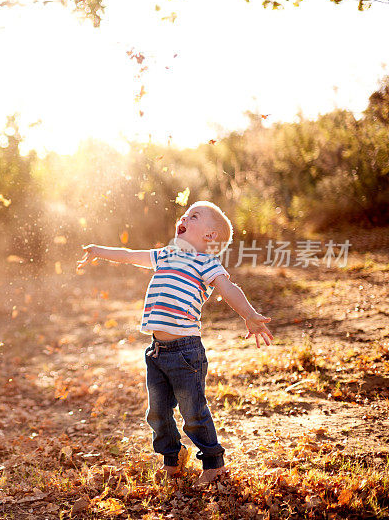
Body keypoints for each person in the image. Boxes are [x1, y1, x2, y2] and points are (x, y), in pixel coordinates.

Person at [77, 200, 273, 485]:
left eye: (193, 216)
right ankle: (173, 458)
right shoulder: (167, 254)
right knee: (157, 413)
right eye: (185, 214)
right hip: (156, 351)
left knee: (193, 412)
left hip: (186, 352)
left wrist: (250, 315)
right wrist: (98, 251)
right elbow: (131, 255)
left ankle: (213, 463)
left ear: (210, 236)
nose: (184, 217)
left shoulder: (206, 262)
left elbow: (229, 289)